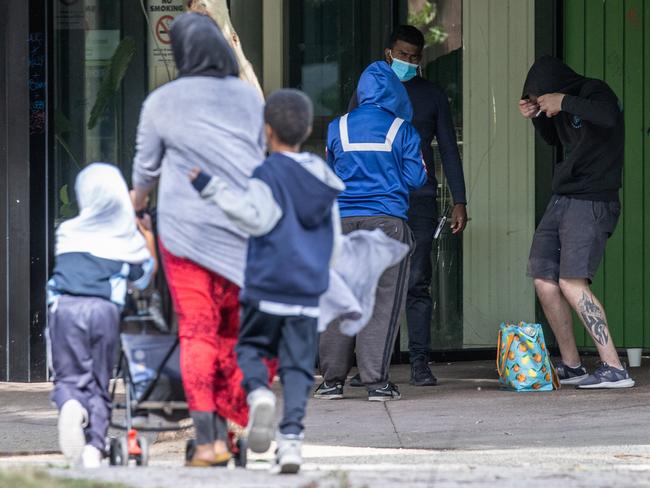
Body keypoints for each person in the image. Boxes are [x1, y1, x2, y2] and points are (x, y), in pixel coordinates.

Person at [131, 13, 267, 466]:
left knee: (196, 329)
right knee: (231, 328)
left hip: (185, 235)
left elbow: (145, 172)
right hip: (241, 231)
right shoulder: (249, 100)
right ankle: (232, 428)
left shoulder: (163, 100)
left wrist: (135, 209)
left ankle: (207, 440)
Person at [190, 89, 344, 474]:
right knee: (297, 369)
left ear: (267, 131)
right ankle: (290, 442)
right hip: (307, 293)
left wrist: (211, 188)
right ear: (307, 129)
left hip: (267, 286)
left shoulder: (268, 173)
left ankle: (259, 393)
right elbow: (336, 242)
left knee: (250, 349)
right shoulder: (324, 177)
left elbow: (253, 217)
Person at [348, 25, 467, 387]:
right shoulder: (367, 93)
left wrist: (459, 200)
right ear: (388, 54)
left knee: (417, 281)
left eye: (415, 57)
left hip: (419, 200)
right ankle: (367, 368)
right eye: (403, 55)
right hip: (373, 201)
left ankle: (419, 362)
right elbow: (349, 139)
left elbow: (447, 147)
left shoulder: (431, 95)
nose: (409, 62)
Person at [316, 60, 427, 402]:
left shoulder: (338, 127)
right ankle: (375, 381)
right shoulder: (402, 130)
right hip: (386, 225)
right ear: (395, 92)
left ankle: (331, 381)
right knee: (382, 302)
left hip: (342, 225)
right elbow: (416, 179)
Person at [520, 55, 633, 389]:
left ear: (558, 87)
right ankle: (572, 366)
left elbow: (608, 117)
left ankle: (614, 367)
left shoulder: (595, 91)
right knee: (544, 278)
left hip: (593, 199)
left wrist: (564, 102)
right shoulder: (558, 108)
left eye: (542, 98)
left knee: (572, 282)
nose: (544, 104)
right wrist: (538, 117)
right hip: (563, 197)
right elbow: (556, 141)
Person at [47, 163, 156, 468]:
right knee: (99, 381)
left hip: (64, 308)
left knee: (69, 377)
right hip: (103, 310)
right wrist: (145, 233)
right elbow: (145, 276)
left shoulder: (67, 231)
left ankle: (71, 404)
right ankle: (94, 447)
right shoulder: (124, 239)